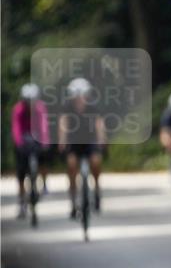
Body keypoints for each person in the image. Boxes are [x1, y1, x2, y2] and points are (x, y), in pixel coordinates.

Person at [59, 77, 106, 218]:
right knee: (71, 165)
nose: (80, 99)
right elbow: (63, 123)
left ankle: (96, 189)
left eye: (82, 96)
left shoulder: (93, 106)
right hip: (74, 141)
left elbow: (99, 123)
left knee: (96, 161)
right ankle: (73, 202)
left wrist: (102, 138)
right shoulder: (67, 107)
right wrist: (62, 140)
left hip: (90, 140)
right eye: (76, 97)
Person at [12, 83, 51, 219]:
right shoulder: (18, 109)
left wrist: (45, 141)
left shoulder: (40, 108)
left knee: (44, 157)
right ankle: (22, 201)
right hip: (23, 139)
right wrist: (18, 143)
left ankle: (44, 183)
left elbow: (44, 126)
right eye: (27, 101)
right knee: (21, 172)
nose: (30, 104)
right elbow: (16, 128)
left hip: (37, 137)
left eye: (32, 101)